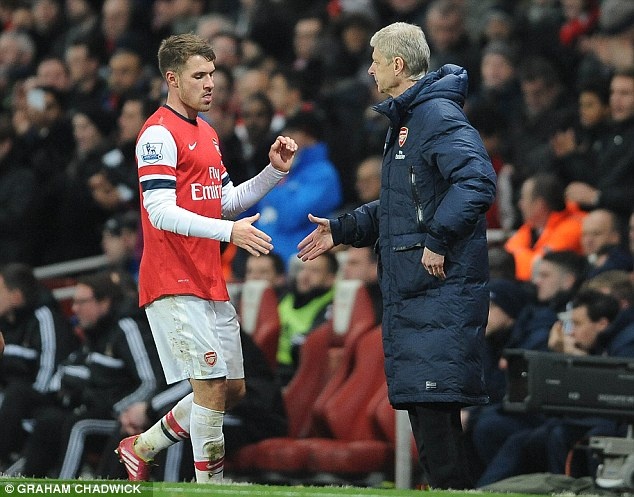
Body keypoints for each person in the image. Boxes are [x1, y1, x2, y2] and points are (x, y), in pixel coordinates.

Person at [296, 22, 497, 490]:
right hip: (417, 293)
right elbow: (401, 207)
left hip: (438, 289)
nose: (370, 70)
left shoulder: (436, 116)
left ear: (398, 64)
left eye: (376, 61)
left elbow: (477, 181)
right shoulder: (408, 121)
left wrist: (438, 239)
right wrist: (343, 229)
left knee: (436, 418)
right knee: (430, 418)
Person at [116, 33, 297, 484]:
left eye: (212, 74)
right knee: (211, 387)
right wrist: (228, 233)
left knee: (232, 389)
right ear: (172, 79)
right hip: (172, 278)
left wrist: (272, 172)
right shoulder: (158, 134)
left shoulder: (209, 133)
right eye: (199, 75)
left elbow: (225, 202)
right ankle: (210, 489)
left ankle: (142, 447)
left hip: (206, 278)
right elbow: (159, 211)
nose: (210, 83)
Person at [504, 173, 585, 281]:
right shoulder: (532, 226)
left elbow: (540, 268)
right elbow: (506, 255)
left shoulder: (573, 228)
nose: (520, 204)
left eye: (524, 198)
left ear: (539, 204)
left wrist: (516, 256)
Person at [276, 253, 338, 387]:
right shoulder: (287, 295)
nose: (304, 275)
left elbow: (312, 344)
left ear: (330, 278)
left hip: (300, 375)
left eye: (314, 271)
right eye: (302, 269)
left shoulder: (333, 304)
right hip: (274, 368)